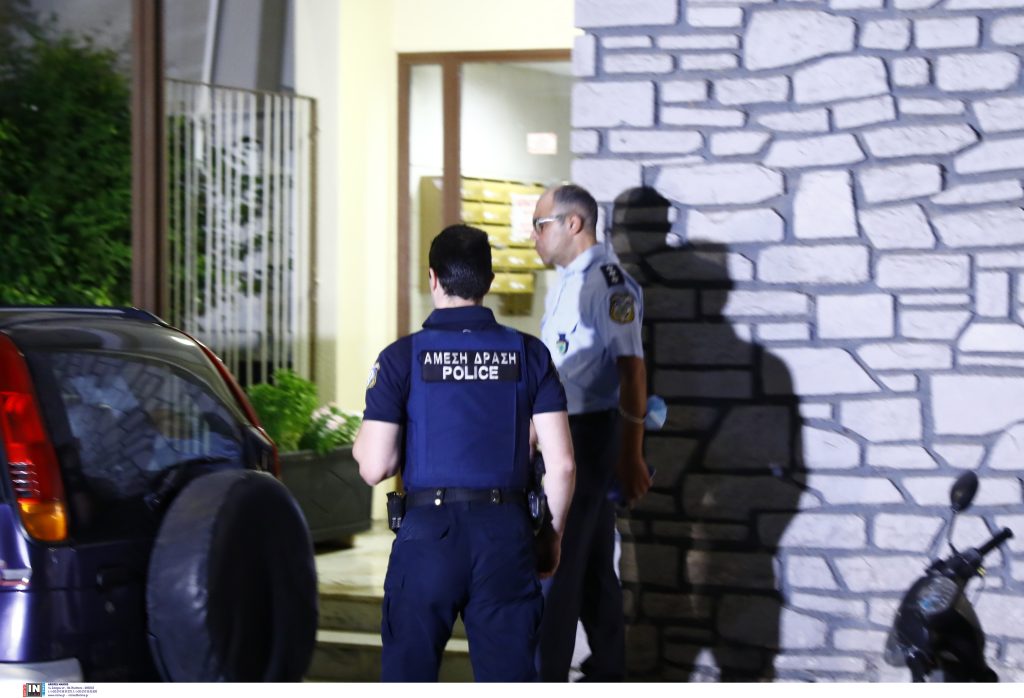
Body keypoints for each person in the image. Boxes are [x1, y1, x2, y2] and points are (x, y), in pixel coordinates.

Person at [352, 224, 576, 682]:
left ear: (432, 278)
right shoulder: (529, 353)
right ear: (488, 281)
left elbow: (375, 466)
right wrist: (551, 537)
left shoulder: (400, 358)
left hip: (427, 540)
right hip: (505, 536)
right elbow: (563, 464)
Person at [531, 183, 652, 682]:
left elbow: (632, 371)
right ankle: (608, 672)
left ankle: (546, 678)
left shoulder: (608, 284)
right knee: (595, 566)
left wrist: (631, 455)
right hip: (568, 433)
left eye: (540, 225)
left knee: (555, 565)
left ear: (573, 223)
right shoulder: (567, 281)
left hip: (585, 438)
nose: (533, 236)